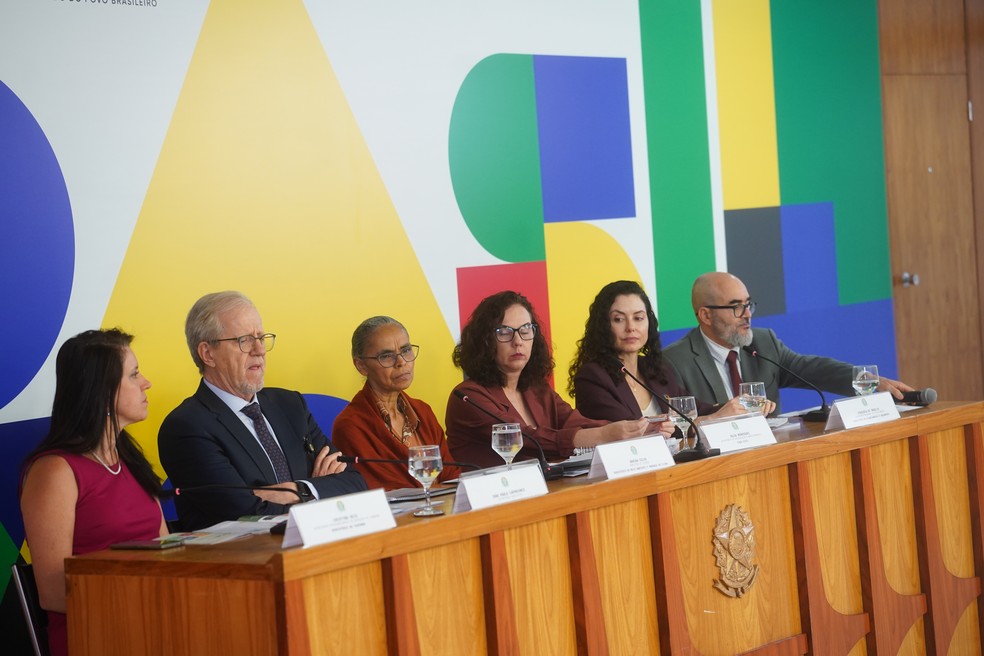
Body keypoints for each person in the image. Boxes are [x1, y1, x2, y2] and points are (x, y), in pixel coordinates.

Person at [158, 291, 366, 530]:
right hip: (245, 560)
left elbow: (354, 482)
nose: (259, 350)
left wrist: (300, 489)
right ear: (208, 353)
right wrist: (316, 489)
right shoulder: (187, 427)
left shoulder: (289, 405)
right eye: (244, 340)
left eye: (261, 337)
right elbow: (247, 514)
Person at [19, 329, 166, 656]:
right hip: (98, 635)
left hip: (157, 623)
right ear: (103, 391)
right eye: (134, 374)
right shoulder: (55, 471)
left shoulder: (131, 460)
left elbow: (167, 551)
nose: (146, 383)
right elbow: (55, 591)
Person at [445, 290, 651, 468]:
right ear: (485, 340)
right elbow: (525, 439)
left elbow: (574, 421)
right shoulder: (467, 398)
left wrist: (636, 430)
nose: (518, 341)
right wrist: (602, 436)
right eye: (505, 332)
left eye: (526, 330)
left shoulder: (536, 389)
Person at [662, 272, 913, 413]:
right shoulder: (677, 361)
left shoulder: (763, 342)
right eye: (736, 307)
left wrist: (868, 381)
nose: (748, 314)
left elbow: (812, 369)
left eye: (748, 304)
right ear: (705, 315)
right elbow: (683, 425)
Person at [568, 280, 762, 424]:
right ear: (603, 325)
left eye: (638, 318)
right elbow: (632, 433)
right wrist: (713, 419)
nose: (631, 327)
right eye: (619, 319)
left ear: (649, 323)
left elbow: (695, 409)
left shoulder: (654, 369)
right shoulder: (592, 378)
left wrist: (740, 407)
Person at [331, 316, 461, 490]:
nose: (401, 362)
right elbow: (384, 491)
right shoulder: (351, 425)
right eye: (386, 356)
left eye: (406, 350)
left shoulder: (423, 411)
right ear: (361, 366)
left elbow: (451, 476)